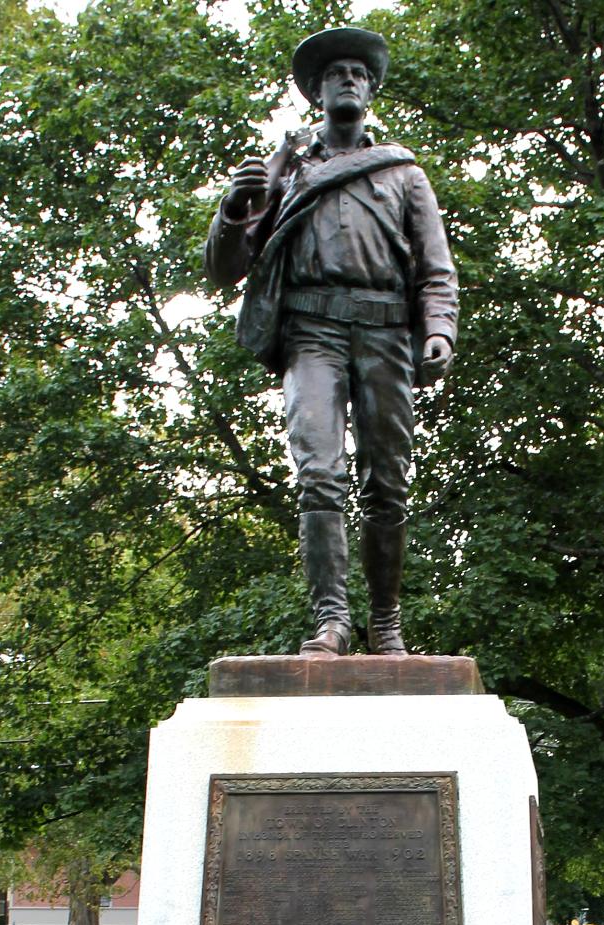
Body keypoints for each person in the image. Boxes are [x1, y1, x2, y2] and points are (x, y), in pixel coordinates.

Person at [204, 27, 459, 657]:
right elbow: (223, 269)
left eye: (357, 71)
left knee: (389, 483)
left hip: (383, 332)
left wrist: (438, 329)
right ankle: (332, 623)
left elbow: (435, 268)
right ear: (316, 90)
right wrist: (234, 211)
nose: (347, 78)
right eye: (334, 72)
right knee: (320, 473)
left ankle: (387, 623)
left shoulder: (404, 174)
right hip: (310, 331)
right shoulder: (283, 171)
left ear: (370, 87)